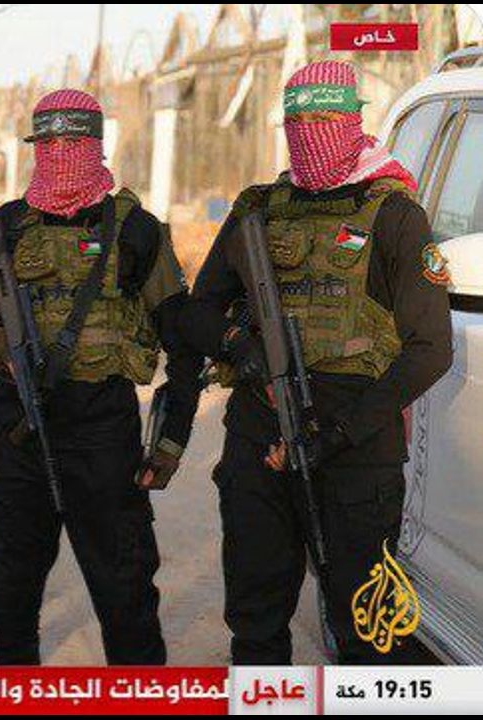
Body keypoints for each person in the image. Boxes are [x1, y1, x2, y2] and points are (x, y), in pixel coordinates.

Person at [180, 60, 453, 664]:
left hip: (355, 451)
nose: (312, 135)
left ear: (354, 121)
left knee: (365, 634)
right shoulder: (259, 210)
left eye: (327, 120)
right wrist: (242, 349)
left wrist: (337, 434)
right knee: (255, 622)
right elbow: (196, 312)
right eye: (299, 123)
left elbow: (431, 348)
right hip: (260, 439)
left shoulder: (394, 215)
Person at [0, 89, 203, 666]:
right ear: (37, 149)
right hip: (17, 428)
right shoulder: (3, 229)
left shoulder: (137, 232)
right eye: (51, 143)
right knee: (7, 595)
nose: (63, 154)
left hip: (103, 431)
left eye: (75, 143)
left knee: (126, 596)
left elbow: (183, 341)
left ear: (97, 148)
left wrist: (171, 438)